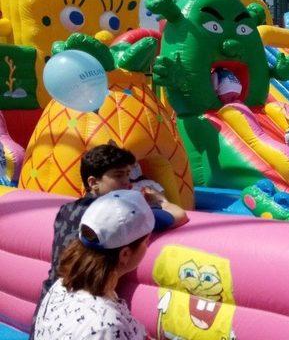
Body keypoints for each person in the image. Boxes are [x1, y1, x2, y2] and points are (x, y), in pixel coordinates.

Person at [30, 144, 188, 338]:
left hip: (50, 312)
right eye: (119, 175)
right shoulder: (121, 218)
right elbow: (179, 214)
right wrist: (159, 200)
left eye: (128, 175)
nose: (128, 183)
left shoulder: (66, 210)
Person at [33, 190, 154, 339]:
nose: (147, 247)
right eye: (146, 242)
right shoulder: (104, 326)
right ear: (125, 254)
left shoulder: (62, 286)